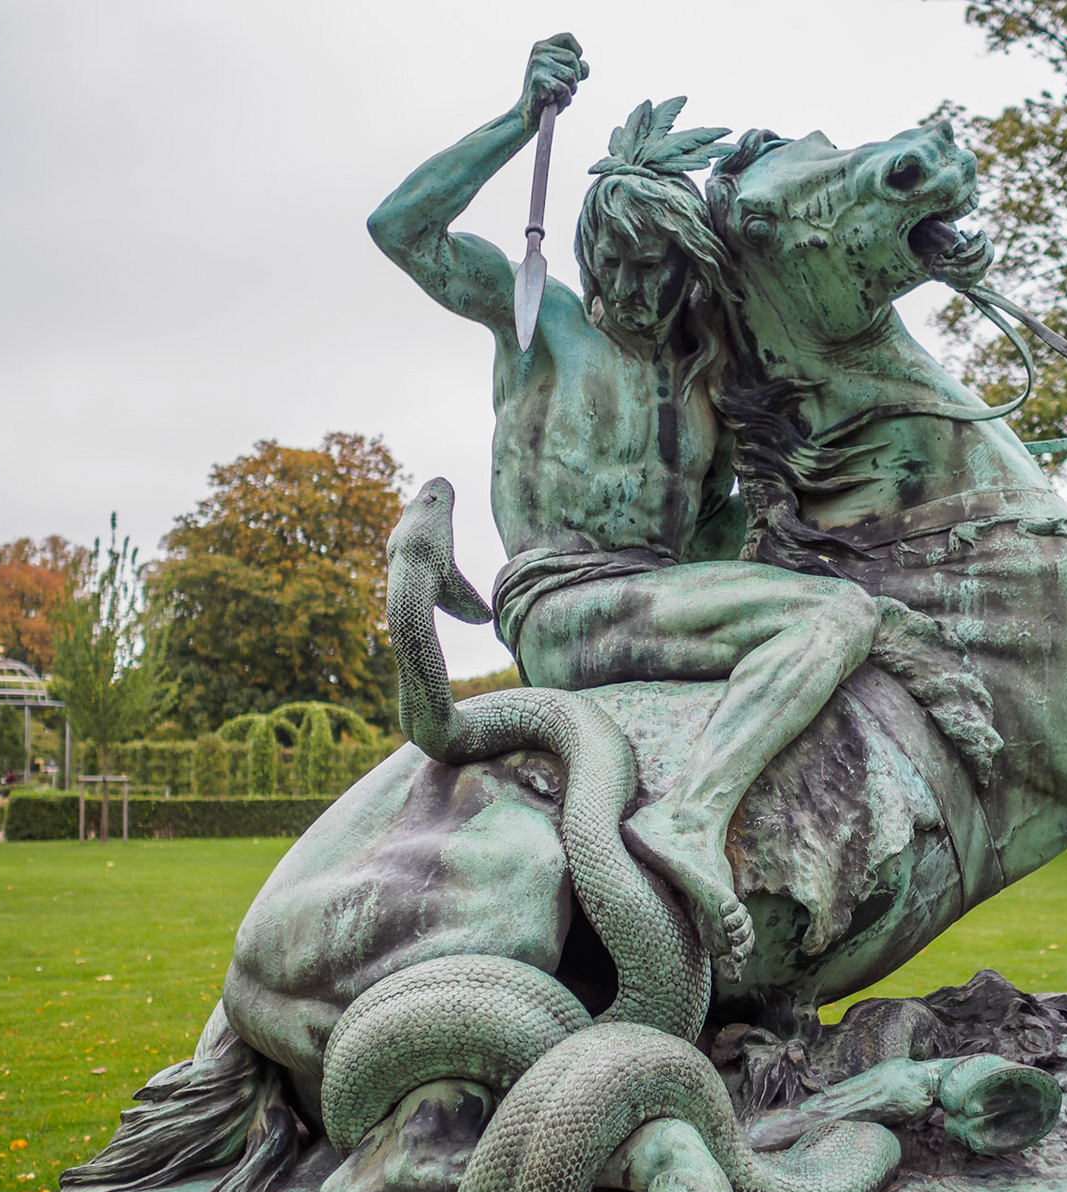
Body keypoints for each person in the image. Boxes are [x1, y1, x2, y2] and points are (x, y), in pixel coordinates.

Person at [368, 35, 888, 961]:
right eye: (621, 260)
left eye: (661, 266)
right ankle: (692, 821)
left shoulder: (703, 387)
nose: (639, 286)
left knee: (852, 617)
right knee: (836, 617)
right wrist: (518, 122)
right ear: (590, 250)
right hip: (563, 605)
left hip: (658, 601)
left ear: (689, 267)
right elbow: (400, 227)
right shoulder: (540, 318)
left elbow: (721, 536)